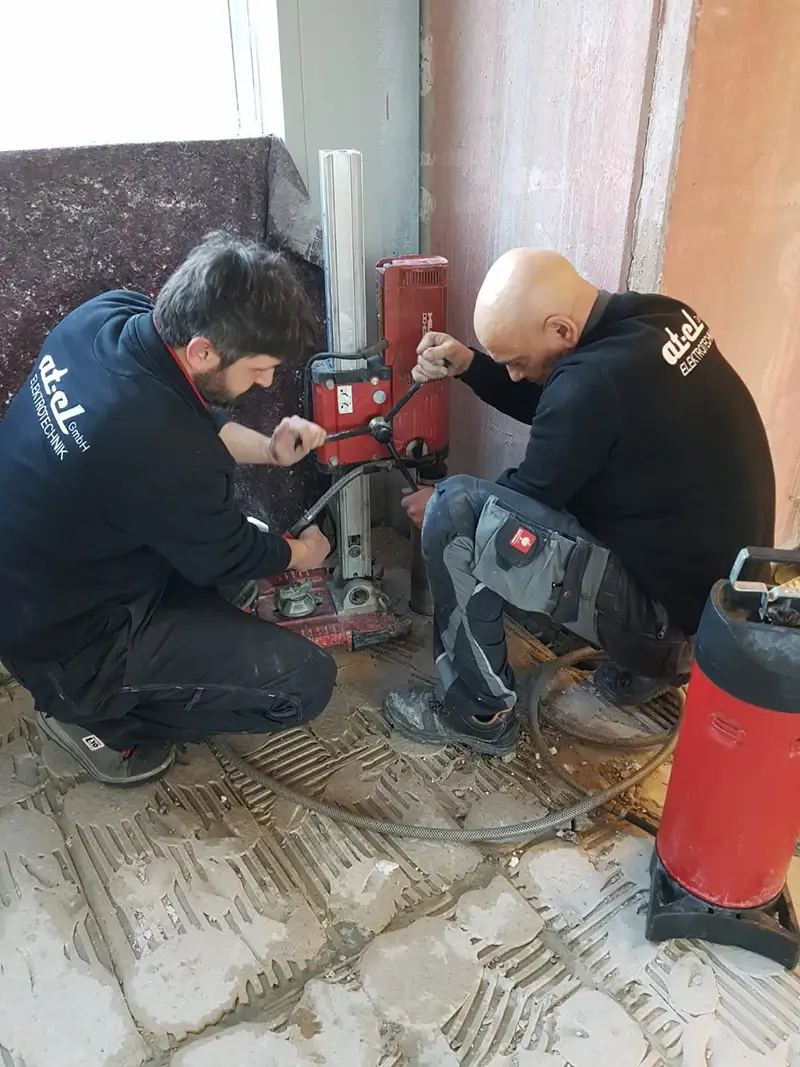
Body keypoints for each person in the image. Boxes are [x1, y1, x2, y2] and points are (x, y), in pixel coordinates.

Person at [384, 248, 775, 760]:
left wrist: (436, 503)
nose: (515, 376)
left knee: (457, 515)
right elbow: (570, 406)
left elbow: (513, 508)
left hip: (668, 631)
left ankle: (476, 711)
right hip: (724, 617)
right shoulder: (659, 318)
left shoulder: (591, 385)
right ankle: (649, 669)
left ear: (561, 329)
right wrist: (472, 366)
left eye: (517, 362)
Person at [0, 231, 337, 785]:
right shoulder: (158, 447)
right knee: (303, 684)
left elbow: (183, 422)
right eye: (258, 368)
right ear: (203, 350)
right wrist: (303, 553)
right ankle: (94, 719)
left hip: (37, 583)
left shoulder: (106, 317)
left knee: (233, 557)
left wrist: (271, 452)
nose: (268, 381)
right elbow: (228, 550)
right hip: (69, 646)